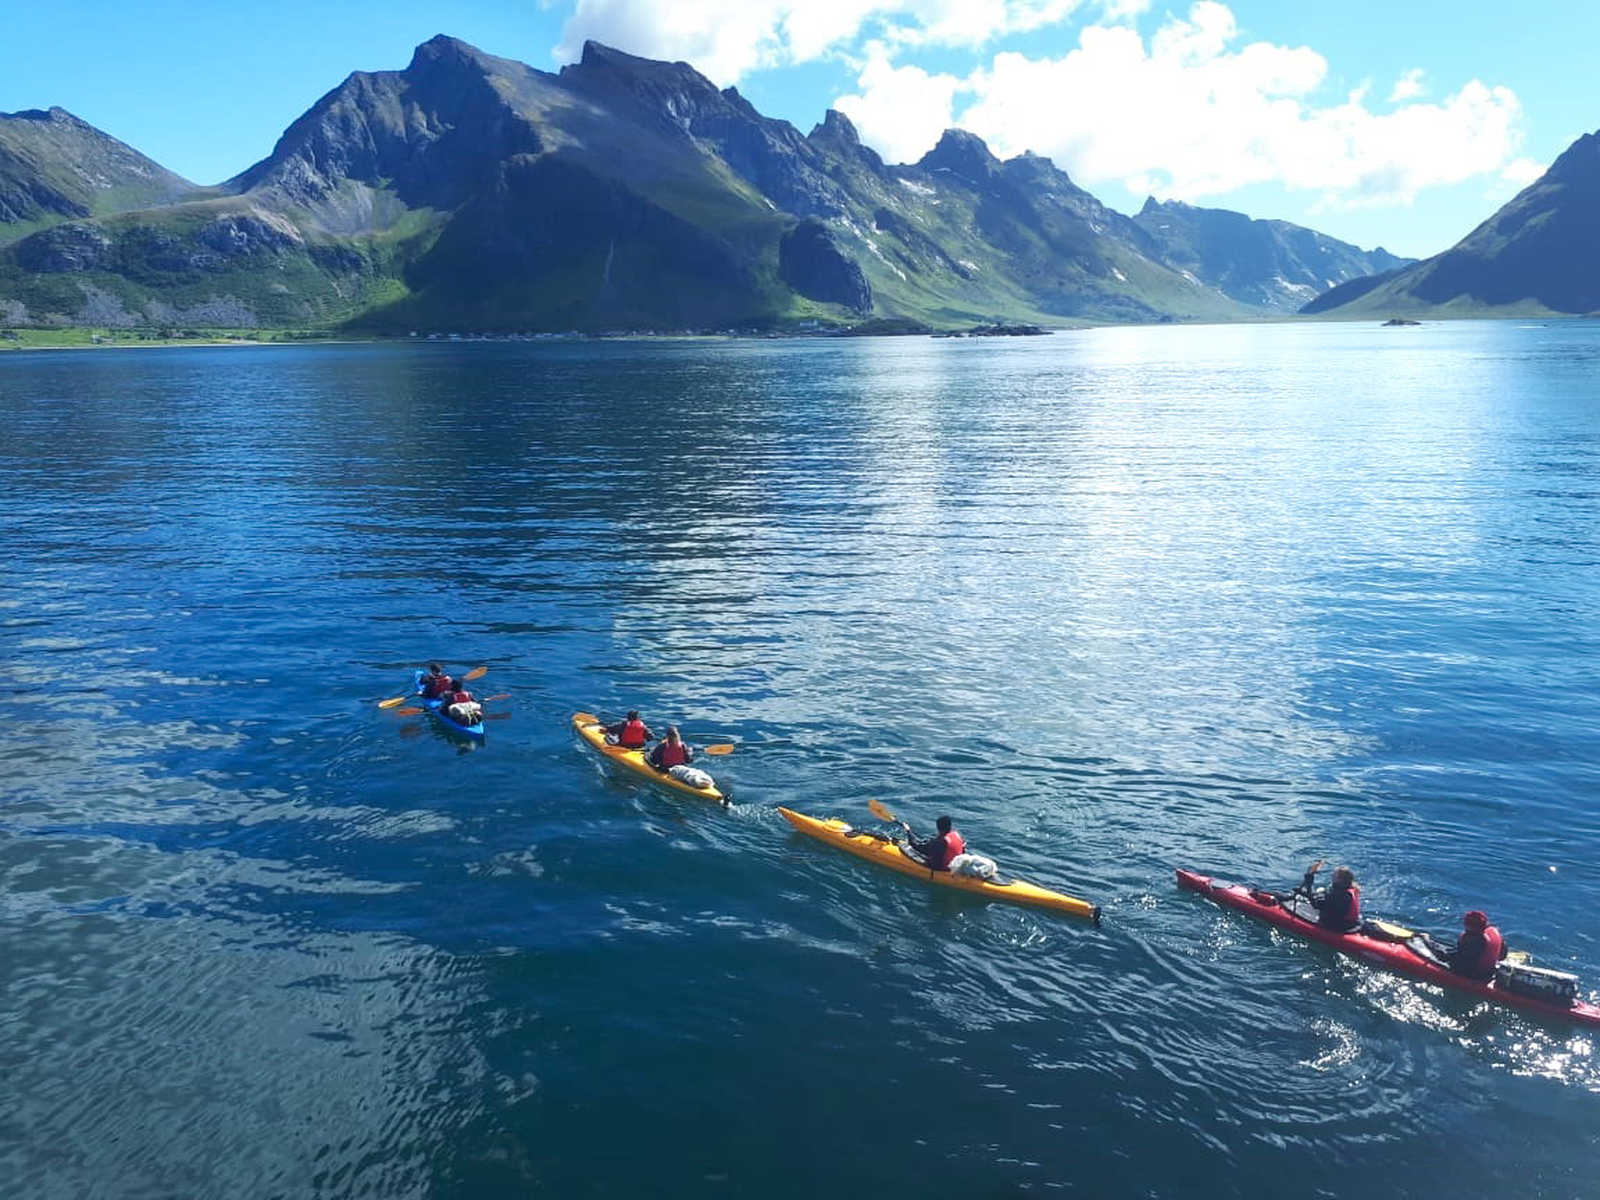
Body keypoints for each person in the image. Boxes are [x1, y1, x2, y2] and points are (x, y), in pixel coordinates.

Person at [1441, 910, 1507, 980]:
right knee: (1447, 950)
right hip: (1490, 971)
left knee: (1443, 954)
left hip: (1475, 975)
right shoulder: (1493, 932)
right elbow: (1502, 956)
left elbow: (1462, 960)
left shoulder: (1474, 940)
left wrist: (1444, 956)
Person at [1299, 860, 1361, 932]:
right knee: (1320, 893)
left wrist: (1309, 879)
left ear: (1339, 880)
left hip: (1337, 925)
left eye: (1334, 875)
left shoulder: (1339, 895)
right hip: (1350, 923)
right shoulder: (1350, 889)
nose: (1332, 876)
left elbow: (1315, 903)